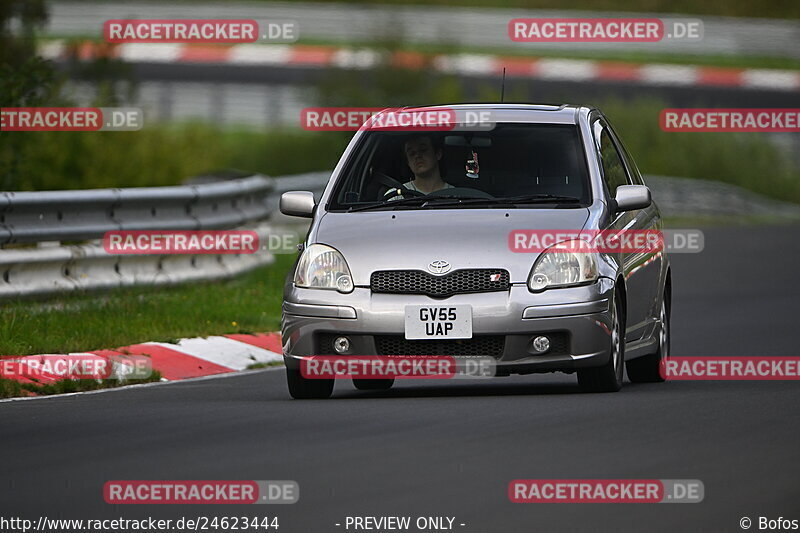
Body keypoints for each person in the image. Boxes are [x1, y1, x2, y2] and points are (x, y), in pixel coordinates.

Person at [384, 135, 453, 199]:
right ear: (408, 162)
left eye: (423, 150)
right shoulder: (396, 196)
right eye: (412, 153)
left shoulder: (456, 195)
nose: (417, 156)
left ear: (438, 154)